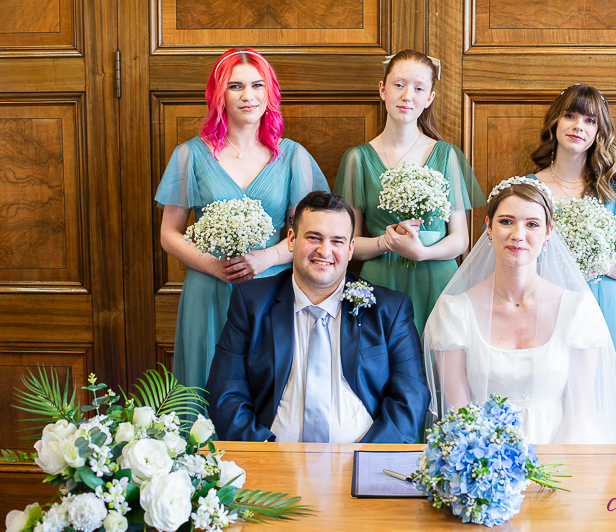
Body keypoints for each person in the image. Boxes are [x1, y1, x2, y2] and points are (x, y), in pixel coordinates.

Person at [154, 48, 329, 393]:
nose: (248, 96)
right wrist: (214, 266)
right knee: (206, 386)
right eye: (235, 87)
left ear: (269, 93)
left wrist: (266, 257)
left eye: (257, 85)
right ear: (219, 94)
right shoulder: (190, 155)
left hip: (271, 289)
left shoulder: (293, 156)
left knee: (267, 387)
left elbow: (305, 234)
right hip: (209, 290)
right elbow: (169, 234)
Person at [424, 178, 616, 445]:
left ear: (548, 232)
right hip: (482, 455)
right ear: (489, 228)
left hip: (564, 452)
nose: (518, 234)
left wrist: (550, 472)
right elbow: (459, 414)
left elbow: (578, 413)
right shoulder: (454, 313)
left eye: (532, 224)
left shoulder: (577, 310)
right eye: (506, 221)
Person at [206, 192, 430, 443]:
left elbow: (411, 398)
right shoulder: (252, 303)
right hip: (274, 463)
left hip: (363, 462)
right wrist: (266, 456)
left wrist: (368, 459)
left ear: (350, 248)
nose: (325, 251)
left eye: (337, 241)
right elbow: (226, 392)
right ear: (291, 239)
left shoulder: (390, 309)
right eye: (314, 238)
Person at [527, 84, 616, 426]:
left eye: (589, 120)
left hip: (603, 301)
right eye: (570, 116)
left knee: (601, 402)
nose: (578, 126)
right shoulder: (529, 188)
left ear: (599, 131)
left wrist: (597, 263)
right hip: (546, 303)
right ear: (555, 123)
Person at [333, 49, 486, 336]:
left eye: (418, 88)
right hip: (381, 279)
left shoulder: (447, 155)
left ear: (429, 98)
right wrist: (386, 243)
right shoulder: (357, 159)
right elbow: (350, 243)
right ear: (382, 89)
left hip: (437, 278)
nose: (407, 96)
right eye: (398, 85)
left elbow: (461, 240)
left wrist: (422, 253)